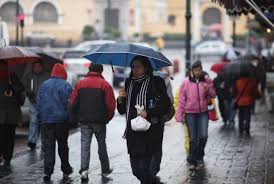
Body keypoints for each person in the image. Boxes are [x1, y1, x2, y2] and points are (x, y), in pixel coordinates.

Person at [117, 55, 171, 184]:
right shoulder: (129, 83)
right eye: (133, 67)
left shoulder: (156, 82)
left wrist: (148, 112)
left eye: (138, 66)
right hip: (133, 132)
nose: (135, 69)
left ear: (146, 67)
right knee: (136, 171)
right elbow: (122, 110)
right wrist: (120, 99)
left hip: (150, 131)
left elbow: (165, 105)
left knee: (146, 169)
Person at [70, 63, 116, 182]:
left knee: (85, 145)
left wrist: (77, 115)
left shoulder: (80, 84)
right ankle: (105, 169)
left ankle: (84, 170)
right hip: (100, 121)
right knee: (102, 145)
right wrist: (107, 118)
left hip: (84, 120)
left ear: (89, 70)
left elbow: (72, 103)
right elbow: (111, 106)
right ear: (101, 71)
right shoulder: (105, 85)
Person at [176, 61, 216, 170]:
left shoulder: (206, 80)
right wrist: (179, 115)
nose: (197, 72)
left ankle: (199, 156)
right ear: (192, 71)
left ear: (201, 69)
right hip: (190, 113)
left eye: (199, 70)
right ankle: (192, 160)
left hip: (203, 112)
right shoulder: (186, 82)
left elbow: (214, 95)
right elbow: (181, 99)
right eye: (195, 70)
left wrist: (209, 89)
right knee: (193, 138)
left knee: (203, 136)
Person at [36, 63, 73, 181]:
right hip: (61, 121)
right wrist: (69, 118)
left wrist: (40, 117)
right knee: (63, 146)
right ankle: (66, 170)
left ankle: (47, 172)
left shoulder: (44, 85)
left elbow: (39, 103)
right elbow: (69, 104)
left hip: (46, 121)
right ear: (63, 74)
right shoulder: (66, 85)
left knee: (48, 147)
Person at [0, 61, 25, 167]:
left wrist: (14, 88)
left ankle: (7, 157)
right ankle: (6, 156)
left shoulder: (13, 78)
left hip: (11, 114)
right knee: (6, 136)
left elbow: (21, 99)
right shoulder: (13, 77)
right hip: (5, 114)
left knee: (9, 136)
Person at [22, 61, 49, 150]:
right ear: (33, 67)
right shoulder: (29, 76)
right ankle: (32, 141)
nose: (37, 68)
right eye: (35, 67)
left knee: (44, 123)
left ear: (42, 67)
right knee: (33, 121)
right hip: (33, 102)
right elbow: (24, 87)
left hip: (44, 103)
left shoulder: (46, 76)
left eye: (39, 66)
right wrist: (28, 92)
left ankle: (44, 141)